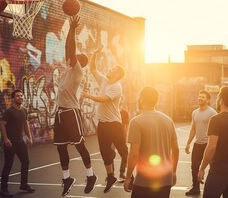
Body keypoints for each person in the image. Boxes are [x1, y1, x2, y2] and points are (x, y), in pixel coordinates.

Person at [53, 15, 97, 197]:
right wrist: (70, 29)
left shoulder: (78, 71)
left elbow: (71, 50)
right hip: (60, 113)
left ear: (79, 61)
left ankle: (91, 175)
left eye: (74, 56)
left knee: (79, 146)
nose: (69, 57)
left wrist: (72, 29)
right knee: (61, 147)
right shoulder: (69, 69)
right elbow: (67, 48)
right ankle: (67, 178)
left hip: (71, 112)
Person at [81, 45, 128, 193]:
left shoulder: (117, 87)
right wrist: (94, 54)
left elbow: (103, 99)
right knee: (104, 152)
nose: (110, 69)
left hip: (114, 124)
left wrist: (88, 95)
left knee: (123, 151)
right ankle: (111, 176)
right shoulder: (104, 80)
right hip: (102, 124)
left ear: (118, 74)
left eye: (113, 68)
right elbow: (93, 69)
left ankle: (131, 174)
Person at [123, 85, 179, 198]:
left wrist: (128, 176)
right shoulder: (168, 120)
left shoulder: (136, 122)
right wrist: (173, 172)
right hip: (165, 179)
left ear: (142, 99)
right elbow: (176, 149)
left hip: (144, 181)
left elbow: (134, 154)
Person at [198, 85, 228, 198]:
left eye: (218, 97)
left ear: (221, 100)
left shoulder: (216, 119)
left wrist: (201, 168)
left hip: (219, 169)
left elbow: (211, 147)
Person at [0, 89, 35, 197]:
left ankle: (24, 184)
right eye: (18, 96)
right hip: (10, 143)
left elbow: (25, 124)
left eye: (21, 95)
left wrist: (29, 137)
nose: (20, 97)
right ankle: (3, 189)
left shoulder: (24, 110)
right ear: (13, 99)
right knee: (8, 165)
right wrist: (5, 139)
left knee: (26, 162)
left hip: (20, 142)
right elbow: (2, 124)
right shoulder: (9, 111)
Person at [184, 90, 217, 196]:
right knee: (194, 167)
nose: (200, 98)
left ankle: (213, 188)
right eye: (199, 96)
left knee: (213, 167)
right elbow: (193, 129)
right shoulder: (194, 113)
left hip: (209, 144)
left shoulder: (212, 113)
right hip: (197, 144)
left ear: (207, 100)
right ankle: (195, 188)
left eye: (203, 97)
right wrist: (188, 143)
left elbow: (217, 130)